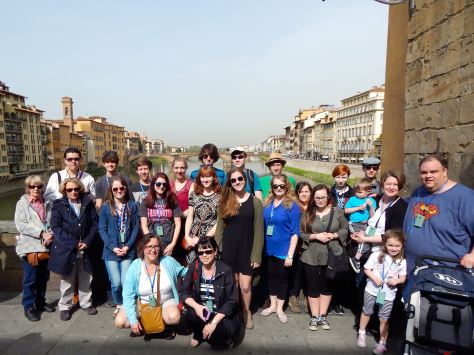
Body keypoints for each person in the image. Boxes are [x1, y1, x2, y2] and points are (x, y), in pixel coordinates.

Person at [403, 155, 474, 280]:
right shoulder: (418, 193)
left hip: (446, 276)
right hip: (413, 274)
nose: (428, 176)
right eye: (424, 172)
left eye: (433, 172)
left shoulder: (465, 197)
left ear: (445, 172)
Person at [214, 167, 264, 329]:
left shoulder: (255, 202)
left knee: (245, 286)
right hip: (228, 248)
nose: (237, 182)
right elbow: (220, 228)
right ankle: (233, 311)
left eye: (240, 179)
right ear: (230, 183)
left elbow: (259, 231)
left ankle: (246, 311)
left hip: (247, 249)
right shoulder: (225, 200)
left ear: (244, 180)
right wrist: (218, 248)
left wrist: (256, 255)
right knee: (233, 284)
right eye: (233, 180)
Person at [49, 178, 99, 321]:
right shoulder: (58, 205)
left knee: (86, 276)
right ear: (65, 191)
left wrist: (87, 241)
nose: (73, 192)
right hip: (68, 249)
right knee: (67, 279)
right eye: (70, 189)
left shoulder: (88, 202)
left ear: (80, 189)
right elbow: (56, 227)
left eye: (76, 189)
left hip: (85, 248)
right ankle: (65, 306)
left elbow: (95, 224)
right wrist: (73, 243)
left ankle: (85, 303)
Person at [300, 184, 348, 331]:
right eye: (317, 197)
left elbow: (345, 228)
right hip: (311, 255)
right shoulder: (308, 212)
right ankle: (314, 317)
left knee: (326, 286)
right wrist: (316, 236)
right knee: (313, 286)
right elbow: (301, 233)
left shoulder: (337, 211)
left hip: (331, 255)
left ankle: (322, 316)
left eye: (323, 197)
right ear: (313, 198)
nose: (320, 200)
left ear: (328, 197)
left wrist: (334, 235)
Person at [116, 234, 187, 334]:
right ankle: (143, 322)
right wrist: (133, 320)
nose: (153, 250)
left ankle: (162, 325)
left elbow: (185, 272)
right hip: (142, 303)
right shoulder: (135, 266)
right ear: (142, 248)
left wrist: (203, 268)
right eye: (149, 246)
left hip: (165, 301)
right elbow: (128, 294)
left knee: (174, 318)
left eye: (156, 246)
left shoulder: (168, 261)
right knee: (120, 322)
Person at [179, 237, 240, 348]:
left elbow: (231, 301)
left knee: (214, 339)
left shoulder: (226, 270)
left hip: (220, 313)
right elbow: (184, 291)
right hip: (204, 310)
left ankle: (224, 336)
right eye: (201, 252)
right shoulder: (195, 266)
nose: (205, 255)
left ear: (215, 251)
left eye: (208, 251)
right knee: (188, 316)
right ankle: (198, 334)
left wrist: (213, 323)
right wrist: (197, 307)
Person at [357, 229, 407, 355]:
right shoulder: (377, 255)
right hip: (372, 289)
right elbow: (367, 269)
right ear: (385, 244)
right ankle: (361, 332)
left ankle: (382, 343)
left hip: (388, 294)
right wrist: (374, 278)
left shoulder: (402, 261)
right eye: (390, 245)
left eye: (397, 246)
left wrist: (397, 281)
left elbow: (403, 277)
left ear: (402, 246)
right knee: (367, 311)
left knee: (384, 318)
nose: (393, 248)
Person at [260, 174, 301, 323]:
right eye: (275, 186)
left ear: (287, 187)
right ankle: (272, 305)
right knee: (271, 277)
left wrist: (290, 255)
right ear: (271, 188)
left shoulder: (292, 206)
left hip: (284, 250)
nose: (278, 188)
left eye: (281, 186)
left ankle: (279, 308)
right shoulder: (267, 203)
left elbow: (295, 233)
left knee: (282, 279)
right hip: (268, 248)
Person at [14, 175, 55, 321]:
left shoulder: (47, 202)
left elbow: (52, 222)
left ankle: (40, 302)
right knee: (30, 279)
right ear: (27, 188)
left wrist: (50, 233)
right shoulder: (22, 204)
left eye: (39, 186)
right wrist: (41, 233)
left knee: (43, 278)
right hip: (30, 247)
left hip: (46, 246)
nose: (36, 189)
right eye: (32, 186)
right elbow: (21, 224)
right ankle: (29, 306)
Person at [99, 176, 140, 317]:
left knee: (125, 281)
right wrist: (112, 247)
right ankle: (119, 303)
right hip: (111, 251)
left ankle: (127, 304)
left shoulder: (132, 206)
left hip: (128, 250)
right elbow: (102, 230)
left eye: (121, 188)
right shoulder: (106, 207)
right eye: (115, 188)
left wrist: (128, 246)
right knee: (115, 283)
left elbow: (135, 228)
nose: (118, 191)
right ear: (111, 190)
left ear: (125, 189)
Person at [139, 172, 182, 257]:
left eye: (164, 184)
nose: (161, 186)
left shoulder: (172, 200)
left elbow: (178, 224)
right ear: (153, 185)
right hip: (152, 244)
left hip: (168, 244)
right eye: (158, 184)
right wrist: (151, 243)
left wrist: (173, 244)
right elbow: (144, 225)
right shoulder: (145, 202)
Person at [184, 166, 221, 264]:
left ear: (214, 178)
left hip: (209, 240)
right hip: (193, 239)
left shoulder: (220, 197)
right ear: (199, 178)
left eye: (208, 176)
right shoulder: (194, 195)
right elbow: (190, 217)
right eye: (203, 177)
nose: (206, 179)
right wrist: (187, 236)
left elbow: (219, 222)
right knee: (192, 269)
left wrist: (202, 239)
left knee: (209, 267)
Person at [288, 181, 312, 314]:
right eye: (301, 191)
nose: (304, 194)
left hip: (311, 244)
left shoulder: (314, 206)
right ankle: (293, 296)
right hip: (297, 244)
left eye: (307, 191)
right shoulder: (294, 206)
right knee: (296, 271)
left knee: (309, 272)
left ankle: (309, 297)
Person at [345, 178, 377, 273]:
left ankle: (356, 258)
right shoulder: (352, 199)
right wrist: (358, 208)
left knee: (367, 241)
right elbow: (346, 210)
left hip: (365, 224)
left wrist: (370, 206)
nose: (356, 194)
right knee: (362, 240)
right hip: (354, 223)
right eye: (356, 192)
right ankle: (356, 258)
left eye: (359, 192)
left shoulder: (371, 200)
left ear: (368, 191)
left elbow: (373, 216)